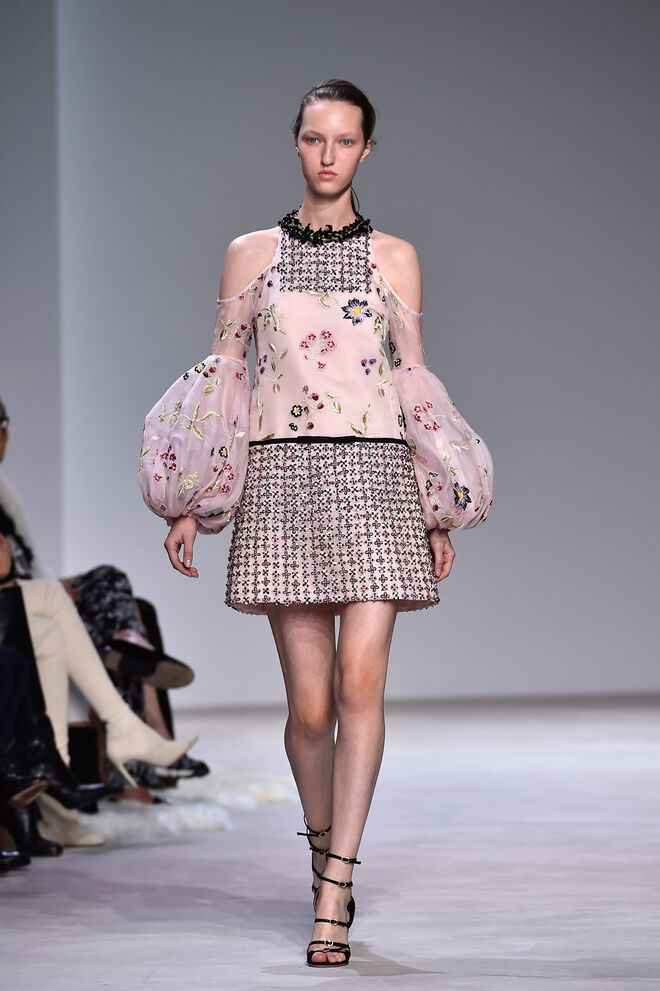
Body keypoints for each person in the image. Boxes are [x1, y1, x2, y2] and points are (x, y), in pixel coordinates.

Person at [138, 78, 494, 967]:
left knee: (361, 683)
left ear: (368, 150)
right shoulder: (249, 256)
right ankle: (322, 843)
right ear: (295, 142)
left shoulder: (396, 258)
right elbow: (223, 380)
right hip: (283, 482)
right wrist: (191, 500)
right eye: (313, 137)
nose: (327, 155)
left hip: (376, 479)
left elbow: (414, 384)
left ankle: (335, 887)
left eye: (344, 140)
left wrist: (438, 506)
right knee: (309, 705)